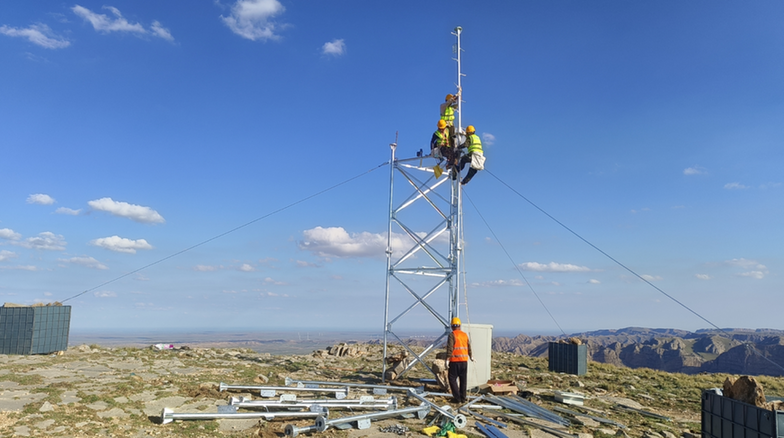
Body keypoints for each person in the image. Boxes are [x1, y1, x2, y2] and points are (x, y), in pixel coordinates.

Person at [445, 317, 473, 403]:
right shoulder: (464, 335)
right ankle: (463, 398)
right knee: (463, 380)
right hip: (464, 361)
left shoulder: (452, 335)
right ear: (459, 326)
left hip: (454, 361)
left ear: (452, 326)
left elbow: (450, 347)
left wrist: (447, 359)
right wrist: (471, 356)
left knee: (452, 379)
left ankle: (457, 398)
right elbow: (469, 346)